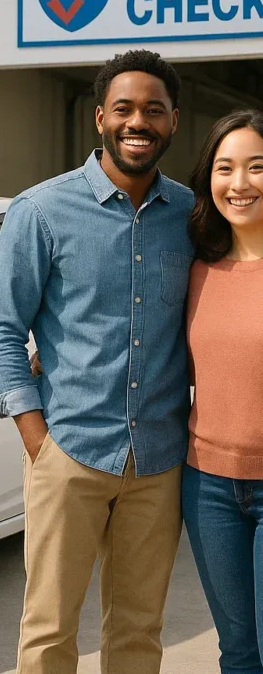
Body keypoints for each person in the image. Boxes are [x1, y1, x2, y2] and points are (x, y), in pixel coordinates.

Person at [0, 49, 194, 674]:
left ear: (173, 121)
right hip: (68, 454)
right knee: (48, 633)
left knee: (137, 633)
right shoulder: (41, 211)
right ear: (99, 117)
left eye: (154, 110)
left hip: (158, 461)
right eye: (124, 108)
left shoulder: (190, 215)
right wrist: (36, 439)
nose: (138, 122)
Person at [183, 109, 263, 674]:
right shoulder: (194, 266)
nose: (240, 184)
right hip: (208, 487)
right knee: (237, 653)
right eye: (225, 167)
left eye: (257, 167)